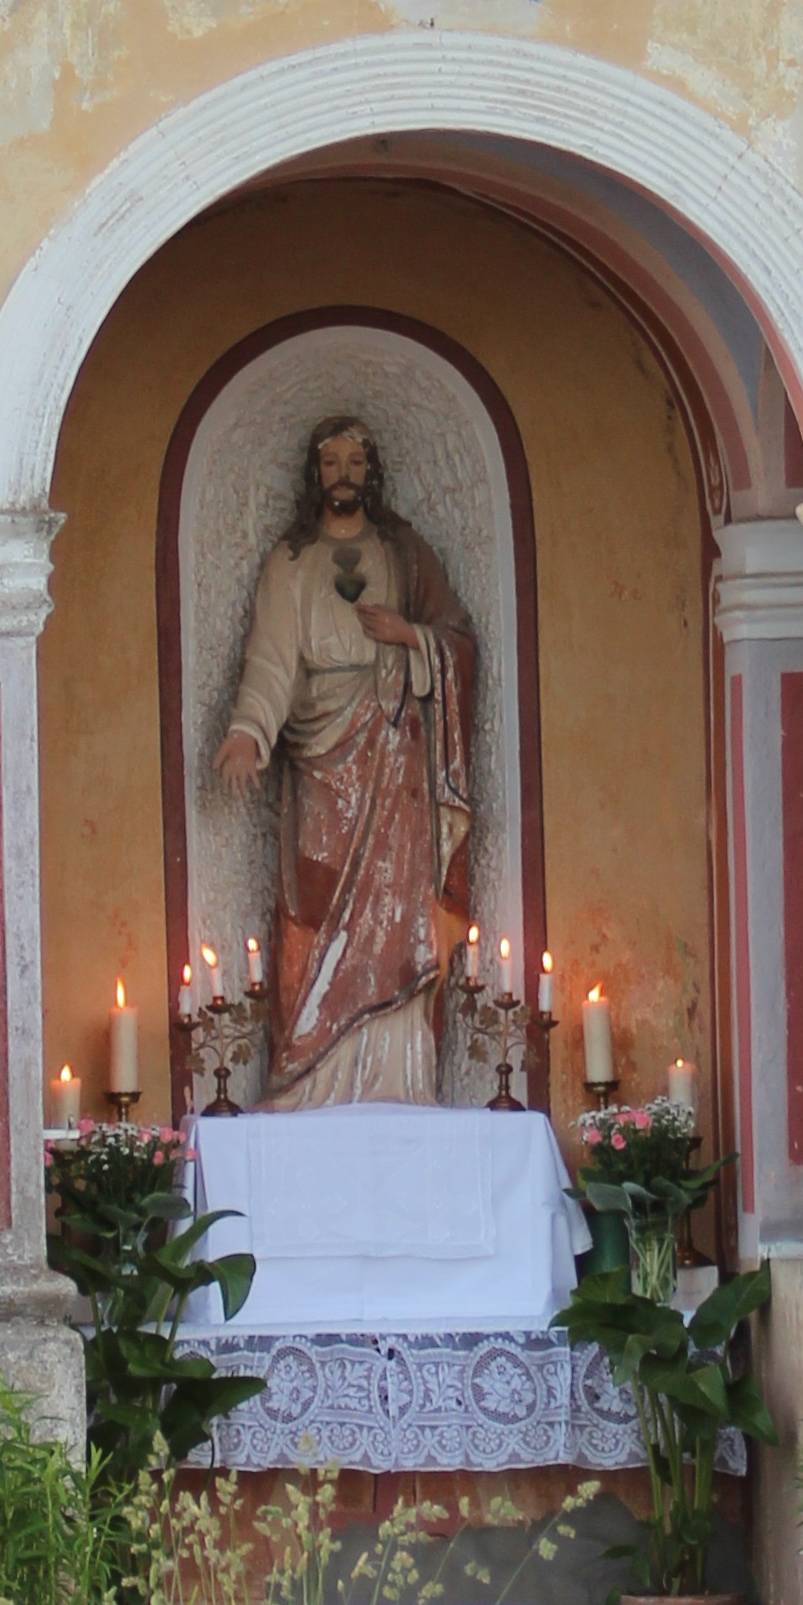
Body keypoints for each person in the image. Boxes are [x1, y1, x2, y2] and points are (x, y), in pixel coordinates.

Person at [213, 414, 477, 1105]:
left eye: (355, 463)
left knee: (396, 911)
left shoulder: (404, 554)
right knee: (313, 905)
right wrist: (247, 732)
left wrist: (410, 635)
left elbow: (459, 640)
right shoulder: (291, 563)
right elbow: (270, 661)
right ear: (315, 473)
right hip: (320, 755)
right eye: (332, 463)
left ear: (371, 472)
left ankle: (397, 1078)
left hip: (394, 750)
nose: (344, 476)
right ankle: (310, 1077)